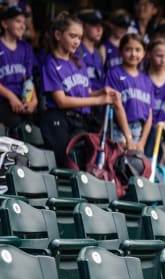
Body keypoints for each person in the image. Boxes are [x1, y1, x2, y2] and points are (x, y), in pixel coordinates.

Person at [39, 12, 119, 167]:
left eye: (79, 37)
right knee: (65, 164)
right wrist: (98, 100)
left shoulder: (79, 62)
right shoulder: (50, 63)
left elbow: (85, 93)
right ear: (57, 35)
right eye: (72, 36)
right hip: (58, 120)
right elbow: (61, 101)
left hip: (79, 120)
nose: (77, 41)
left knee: (85, 161)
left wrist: (101, 92)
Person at [0, 6, 37, 128]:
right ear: (4, 23)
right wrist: (11, 97)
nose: (22, 26)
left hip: (22, 99)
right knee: (17, 128)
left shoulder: (26, 48)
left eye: (24, 23)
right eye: (18, 21)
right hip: (1, 99)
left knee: (32, 130)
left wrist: (34, 101)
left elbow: (28, 79)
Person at [105, 34, 153, 152]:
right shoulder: (114, 73)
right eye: (128, 49)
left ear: (144, 53)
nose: (133, 54)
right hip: (118, 129)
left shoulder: (146, 80)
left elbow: (150, 114)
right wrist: (128, 138)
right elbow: (117, 106)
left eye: (138, 50)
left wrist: (142, 142)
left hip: (139, 130)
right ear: (120, 51)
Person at [76, 10, 105, 91]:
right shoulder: (76, 49)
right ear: (83, 26)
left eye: (101, 25)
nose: (99, 29)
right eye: (94, 25)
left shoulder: (98, 53)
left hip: (99, 99)